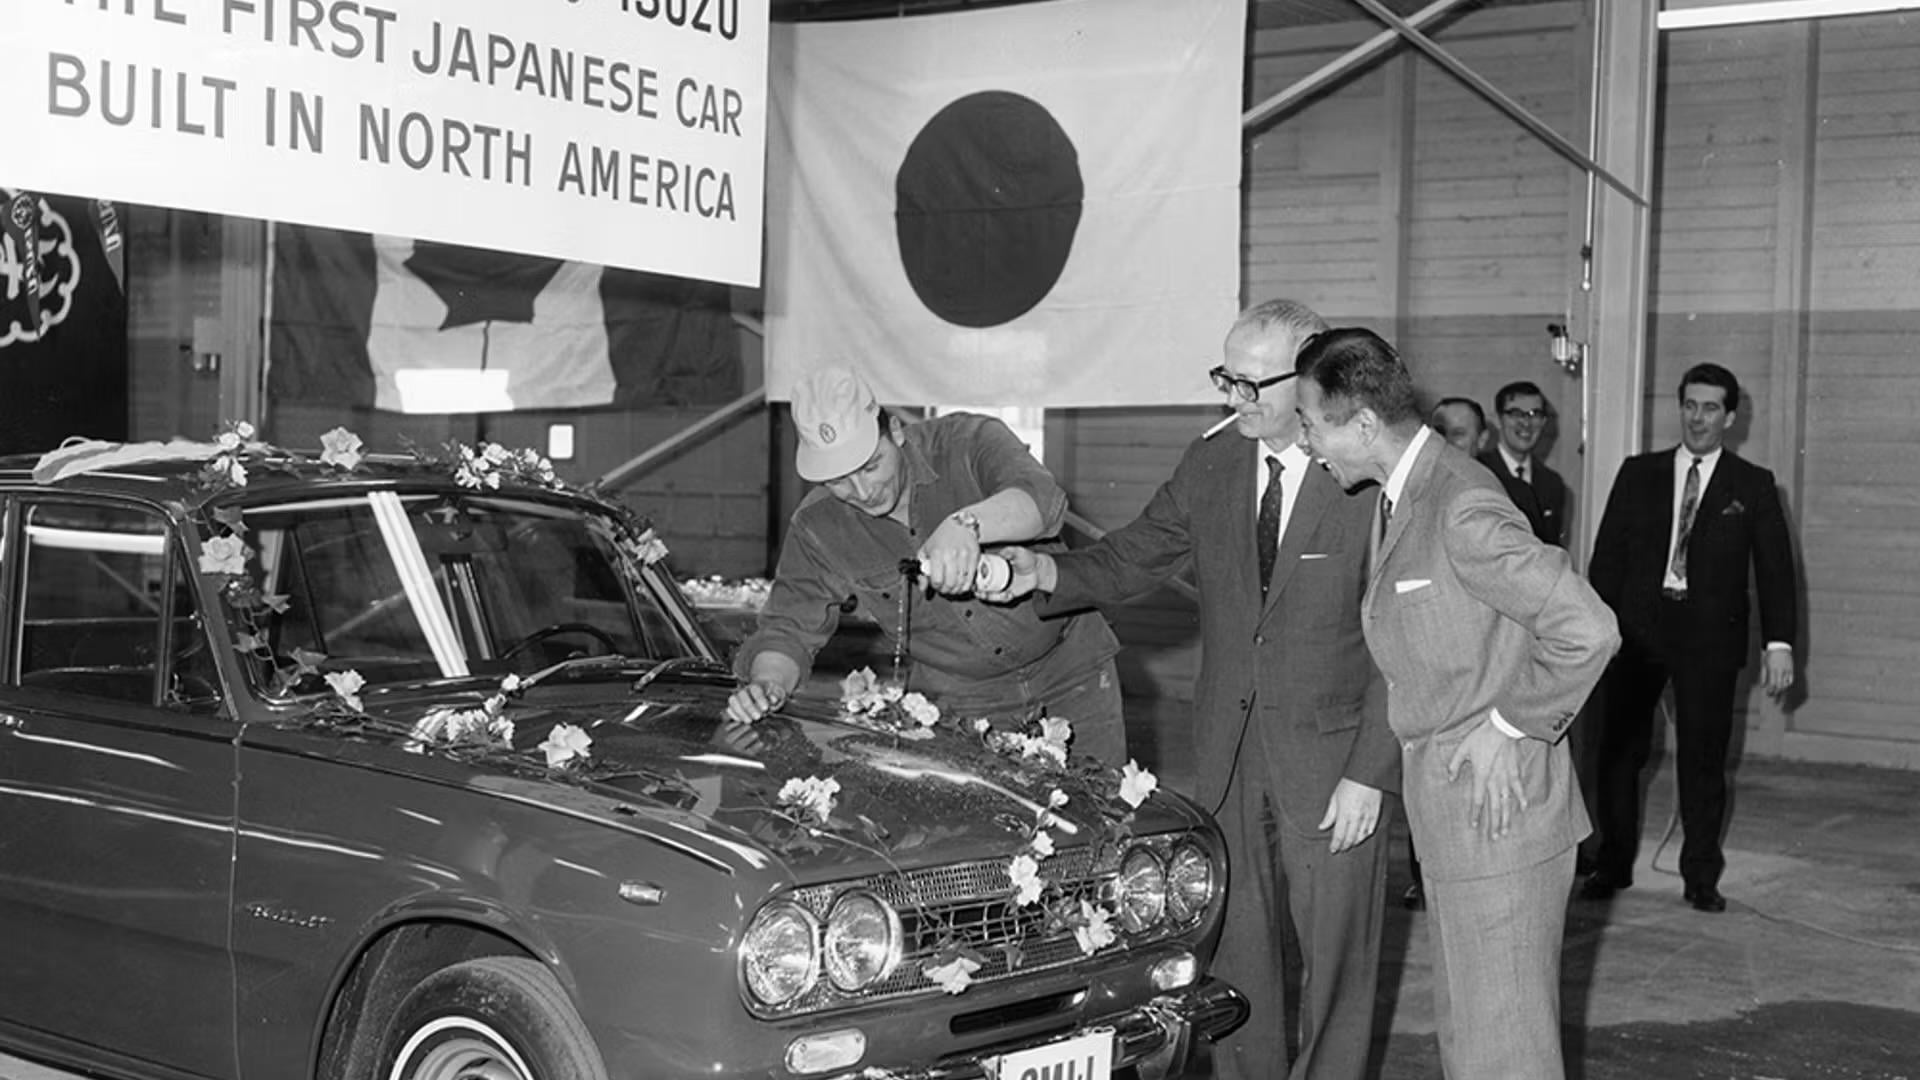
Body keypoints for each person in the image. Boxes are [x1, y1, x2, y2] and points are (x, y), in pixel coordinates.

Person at [984, 300, 1396, 1080]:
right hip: (1229, 750)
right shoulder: (1212, 463)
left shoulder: (1366, 475)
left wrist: (1371, 770)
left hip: (1335, 760)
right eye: (1225, 378)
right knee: (1236, 948)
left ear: (1310, 372)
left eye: (1251, 384)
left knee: (1340, 961)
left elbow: (1400, 641)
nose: (1233, 399)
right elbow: (1132, 557)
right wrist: (1039, 572)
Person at [1293, 327, 1618, 1080]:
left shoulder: (1459, 504)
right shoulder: (1407, 495)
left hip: (1499, 825)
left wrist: (1511, 724)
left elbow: (1588, 627)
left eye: (1310, 425)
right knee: (1475, 1046)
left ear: (1362, 425)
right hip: (1458, 823)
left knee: (1502, 1056)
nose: (1307, 443)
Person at [725, 366, 1127, 766]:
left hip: (1072, 673)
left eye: (871, 466)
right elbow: (788, 628)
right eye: (838, 481)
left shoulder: (968, 442)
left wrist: (967, 524)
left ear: (895, 431)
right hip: (962, 702)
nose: (863, 492)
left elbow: (1041, 500)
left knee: (1098, 798)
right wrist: (768, 684)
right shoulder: (818, 526)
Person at [1583, 362, 1796, 913]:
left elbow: (1775, 571)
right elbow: (1607, 560)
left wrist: (1779, 644)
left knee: (1703, 761)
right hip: (1636, 635)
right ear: (1681, 408)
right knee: (1618, 754)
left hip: (1709, 641)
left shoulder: (1753, 484)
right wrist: (1595, 631)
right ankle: (1611, 863)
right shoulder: (1638, 473)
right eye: (1690, 406)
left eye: (1710, 408)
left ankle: (1700, 875)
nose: (1698, 418)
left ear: (1730, 417)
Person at [1481, 380, 1568, 547]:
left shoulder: (1552, 483)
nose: (1526, 423)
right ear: (1498, 420)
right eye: (1516, 413)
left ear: (1543, 422)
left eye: (1534, 414)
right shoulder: (1480, 473)